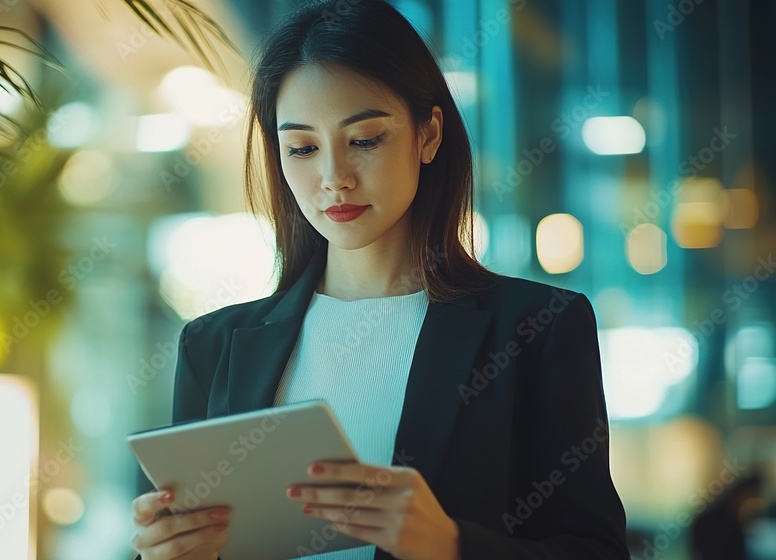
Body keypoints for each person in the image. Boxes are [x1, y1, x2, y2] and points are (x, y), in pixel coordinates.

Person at [130, 1, 629, 558]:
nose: (333, 178)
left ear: (429, 134)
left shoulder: (538, 327)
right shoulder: (213, 345)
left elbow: (598, 552)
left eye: (364, 140)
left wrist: (453, 546)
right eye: (302, 148)